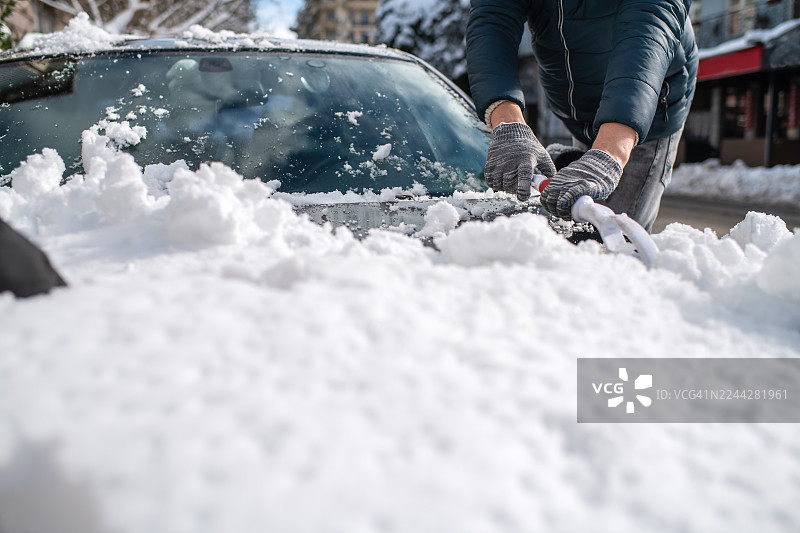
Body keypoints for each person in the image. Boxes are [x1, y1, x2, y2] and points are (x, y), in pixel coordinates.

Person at [466, 0, 698, 231]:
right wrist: (509, 124)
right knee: (577, 218)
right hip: (580, 108)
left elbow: (648, 29)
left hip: (647, 111)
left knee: (613, 238)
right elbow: (494, 15)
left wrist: (610, 153)